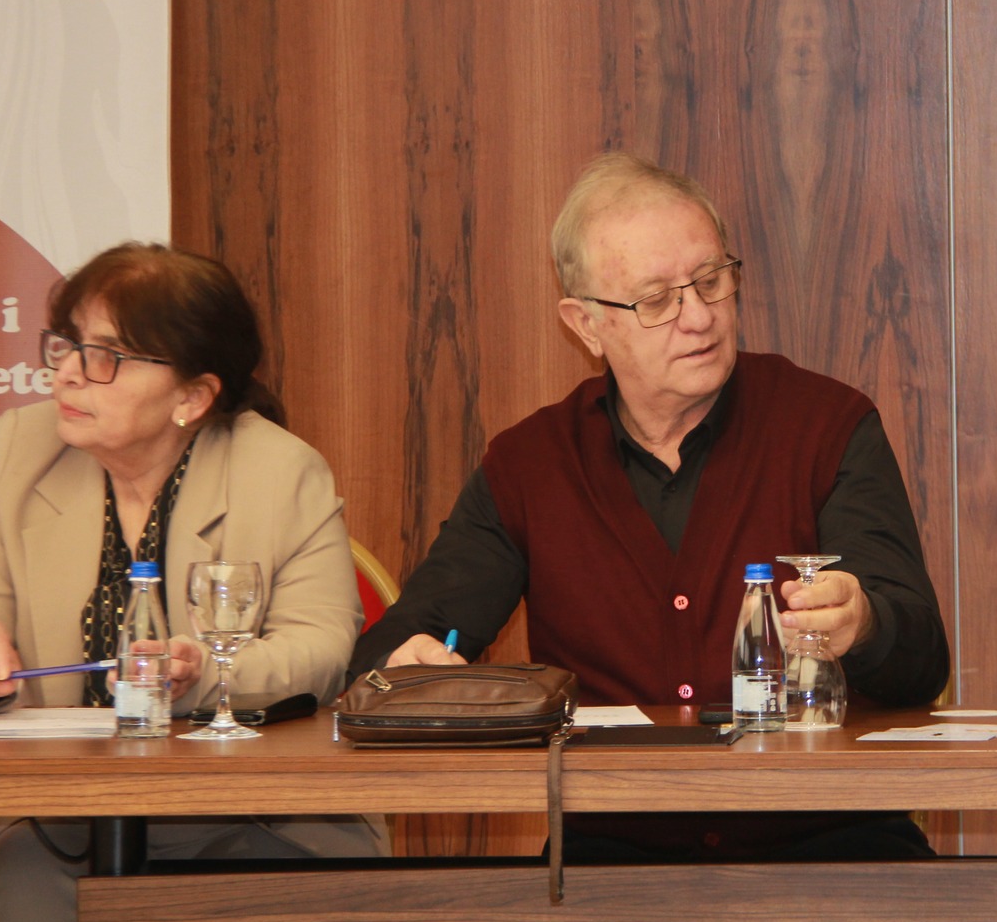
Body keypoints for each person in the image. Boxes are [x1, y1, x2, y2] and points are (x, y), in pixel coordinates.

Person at [353, 153, 949, 859]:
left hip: (829, 848)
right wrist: (412, 668)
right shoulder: (531, 465)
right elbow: (392, 653)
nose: (698, 317)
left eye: (711, 280)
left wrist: (865, 622)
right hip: (614, 859)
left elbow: (922, 661)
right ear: (586, 325)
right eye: (657, 299)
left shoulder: (826, 427)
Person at [0, 243, 383, 922]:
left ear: (192, 396)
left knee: (269, 909)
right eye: (67, 344)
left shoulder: (280, 469)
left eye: (107, 356)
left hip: (253, 811)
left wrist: (205, 671)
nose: (68, 371)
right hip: (57, 818)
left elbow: (320, 651)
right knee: (27, 891)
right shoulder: (19, 449)